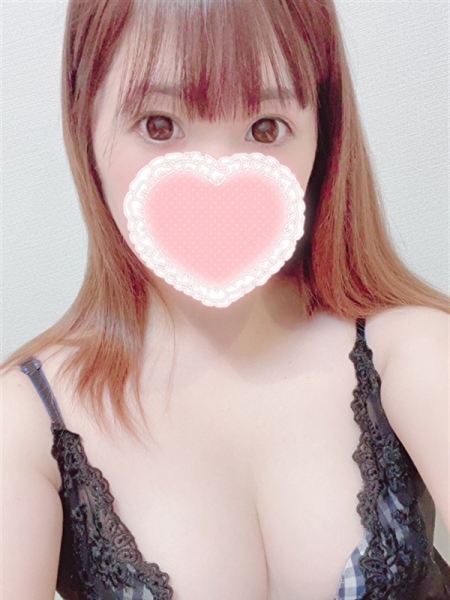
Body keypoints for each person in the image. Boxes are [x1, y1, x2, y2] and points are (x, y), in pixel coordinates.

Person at [2, 0, 449, 598]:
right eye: (159, 125)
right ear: (86, 123)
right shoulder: (26, 422)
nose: (217, 170)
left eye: (265, 128)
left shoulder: (414, 352)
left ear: (322, 135)